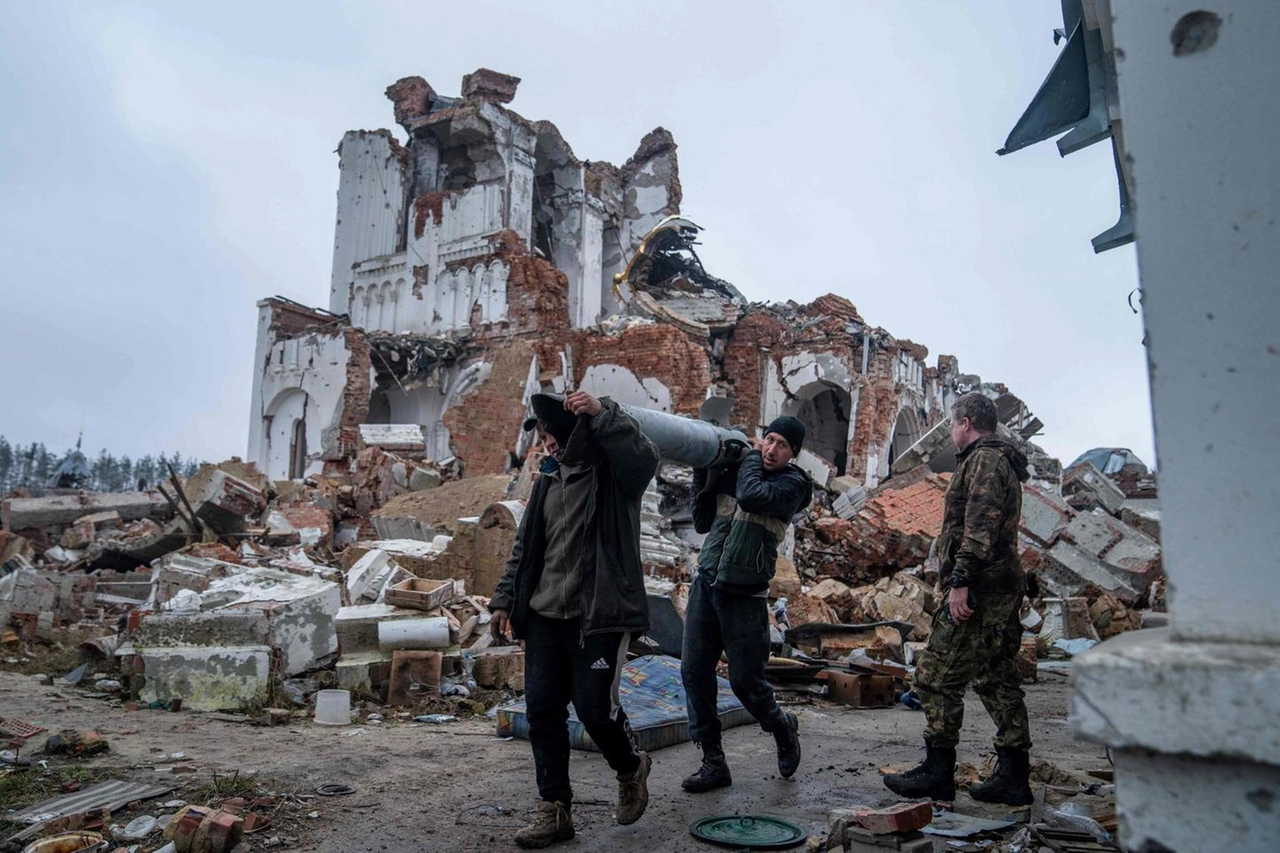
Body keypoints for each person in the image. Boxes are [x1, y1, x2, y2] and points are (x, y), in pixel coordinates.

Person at [490, 389, 660, 849]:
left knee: (592, 709)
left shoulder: (614, 477)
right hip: (546, 614)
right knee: (543, 711)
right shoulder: (547, 479)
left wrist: (604, 413)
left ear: (573, 435)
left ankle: (630, 768)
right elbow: (526, 548)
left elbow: (645, 456)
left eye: (549, 436)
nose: (545, 445)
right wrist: (505, 599)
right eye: (542, 438)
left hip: (598, 615)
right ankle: (555, 810)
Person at [883, 392, 1034, 805]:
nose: (951, 432)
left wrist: (961, 581)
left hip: (980, 590)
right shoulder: (998, 460)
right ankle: (1014, 778)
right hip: (1000, 587)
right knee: (996, 676)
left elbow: (979, 527)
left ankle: (937, 773)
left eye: (952, 424)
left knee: (934, 677)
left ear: (966, 422)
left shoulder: (985, 461)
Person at [680, 415, 813, 793]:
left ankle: (782, 726)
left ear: (794, 454)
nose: (771, 450)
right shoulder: (739, 473)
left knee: (746, 682)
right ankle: (713, 762)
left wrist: (750, 454)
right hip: (707, 585)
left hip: (745, 595)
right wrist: (703, 470)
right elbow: (703, 521)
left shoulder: (794, 485)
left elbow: (754, 495)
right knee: (694, 673)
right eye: (768, 440)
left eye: (781, 445)